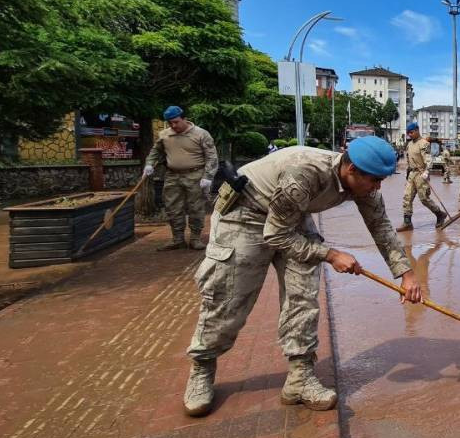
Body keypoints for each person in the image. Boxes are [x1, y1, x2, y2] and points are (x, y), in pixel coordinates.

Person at [183, 137, 421, 417]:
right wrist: (330, 255)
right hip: (246, 215)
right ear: (352, 169)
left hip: (291, 217)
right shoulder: (304, 173)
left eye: (381, 180)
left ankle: (300, 378)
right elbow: (275, 235)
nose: (378, 187)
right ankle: (202, 366)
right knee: (229, 299)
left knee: (303, 297)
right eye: (375, 180)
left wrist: (406, 275)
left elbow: (380, 226)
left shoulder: (364, 185)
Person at [144, 106, 219, 250]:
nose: (173, 125)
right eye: (170, 123)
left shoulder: (201, 134)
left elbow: (211, 156)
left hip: (195, 175)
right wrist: (149, 164)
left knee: (195, 207)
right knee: (172, 207)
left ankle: (195, 238)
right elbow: (155, 151)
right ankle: (177, 238)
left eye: (176, 122)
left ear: (185, 119)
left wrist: (208, 176)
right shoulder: (164, 135)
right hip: (172, 175)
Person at [398, 122, 447, 231]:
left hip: (421, 174)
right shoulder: (410, 144)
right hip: (412, 174)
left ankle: (439, 214)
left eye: (411, 132)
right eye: (408, 133)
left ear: (416, 130)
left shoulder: (424, 143)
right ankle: (407, 223)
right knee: (407, 197)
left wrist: (427, 171)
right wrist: (407, 176)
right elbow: (409, 160)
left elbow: (428, 159)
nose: (409, 135)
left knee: (424, 199)